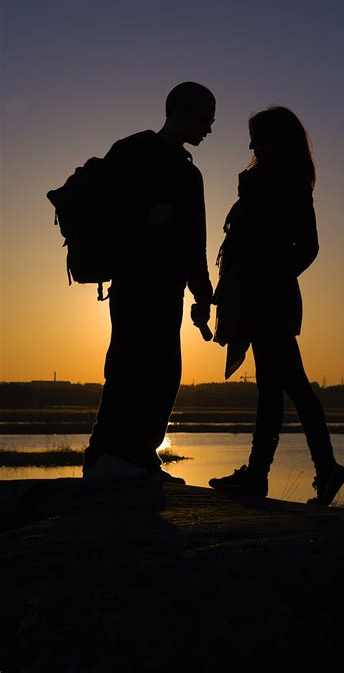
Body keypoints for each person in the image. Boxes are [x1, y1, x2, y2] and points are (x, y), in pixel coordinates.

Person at [208, 106, 344, 505]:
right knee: (273, 388)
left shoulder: (288, 183)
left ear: (276, 140)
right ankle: (265, 473)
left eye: (258, 136)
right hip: (257, 297)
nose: (251, 145)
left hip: (268, 299)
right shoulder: (265, 184)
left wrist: (268, 276)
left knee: (292, 386)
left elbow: (308, 246)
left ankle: (323, 467)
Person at [83, 82, 215, 482]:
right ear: (181, 112)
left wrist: (202, 290)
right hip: (134, 280)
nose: (209, 128)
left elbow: (196, 239)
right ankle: (105, 454)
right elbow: (104, 211)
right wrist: (145, 221)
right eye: (206, 118)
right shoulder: (133, 152)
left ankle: (139, 454)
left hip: (169, 288)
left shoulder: (191, 175)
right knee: (128, 363)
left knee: (163, 370)